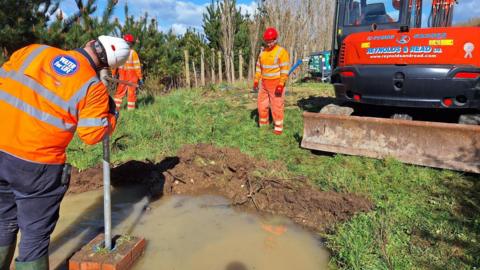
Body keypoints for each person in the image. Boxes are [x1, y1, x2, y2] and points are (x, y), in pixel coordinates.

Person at [0, 35, 130, 270]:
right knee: (34, 238)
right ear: (107, 67)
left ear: (91, 41)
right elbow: (91, 135)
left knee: (2, 223)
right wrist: (112, 115)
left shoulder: (33, 51)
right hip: (37, 167)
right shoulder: (93, 87)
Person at [253, 27, 290, 135]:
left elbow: (284, 69)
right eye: (267, 42)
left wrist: (281, 84)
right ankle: (263, 125)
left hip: (276, 83)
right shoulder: (262, 53)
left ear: (275, 39)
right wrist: (256, 80)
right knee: (261, 105)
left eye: (271, 41)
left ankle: (278, 127)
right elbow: (259, 67)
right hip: (264, 84)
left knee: (276, 106)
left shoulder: (281, 52)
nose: (269, 44)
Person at [112, 33, 143, 110]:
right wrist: (140, 78)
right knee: (131, 94)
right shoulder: (133, 53)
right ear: (131, 43)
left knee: (119, 93)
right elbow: (137, 67)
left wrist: (113, 74)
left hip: (122, 76)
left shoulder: (119, 52)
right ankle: (130, 111)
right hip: (132, 77)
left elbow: (114, 64)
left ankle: (115, 110)